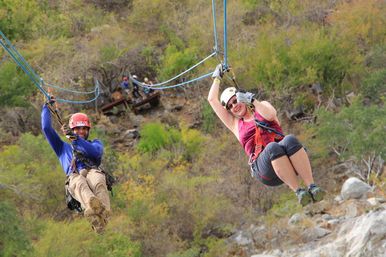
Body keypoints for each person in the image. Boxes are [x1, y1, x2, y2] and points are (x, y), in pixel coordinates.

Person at [207, 64, 325, 206]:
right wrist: (217, 78)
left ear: (241, 98)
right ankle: (299, 191)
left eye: (235, 101)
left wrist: (252, 100)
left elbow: (270, 115)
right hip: (265, 169)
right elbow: (212, 100)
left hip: (286, 159)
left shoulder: (261, 106)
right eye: (230, 106)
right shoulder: (235, 124)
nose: (234, 106)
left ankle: (312, 187)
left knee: (289, 139)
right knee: (272, 147)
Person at [41, 99, 111, 233]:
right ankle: (92, 206)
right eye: (77, 129)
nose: (81, 131)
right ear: (72, 129)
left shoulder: (95, 144)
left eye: (84, 128)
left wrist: (75, 139)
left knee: (96, 177)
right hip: (75, 178)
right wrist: (46, 108)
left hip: (91, 173)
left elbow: (94, 152)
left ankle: (103, 213)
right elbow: (46, 128)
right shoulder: (62, 148)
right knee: (78, 181)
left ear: (88, 130)